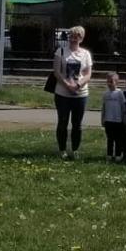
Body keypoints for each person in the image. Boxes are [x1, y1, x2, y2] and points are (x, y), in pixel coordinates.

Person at [51, 25, 94, 161]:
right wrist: (67, 85)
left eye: (77, 36)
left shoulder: (86, 54)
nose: (74, 39)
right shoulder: (61, 51)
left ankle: (75, 149)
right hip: (62, 93)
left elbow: (88, 74)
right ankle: (62, 149)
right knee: (62, 122)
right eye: (72, 36)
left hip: (80, 93)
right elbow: (56, 71)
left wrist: (79, 84)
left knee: (77, 123)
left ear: (81, 38)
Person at [101, 72, 126, 163]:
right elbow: (104, 107)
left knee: (118, 139)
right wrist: (103, 118)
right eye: (108, 81)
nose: (109, 84)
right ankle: (109, 154)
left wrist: (124, 119)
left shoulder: (120, 93)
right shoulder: (105, 94)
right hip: (108, 120)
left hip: (118, 120)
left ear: (116, 82)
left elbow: (123, 107)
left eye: (111, 82)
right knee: (110, 139)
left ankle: (118, 154)